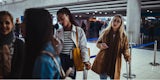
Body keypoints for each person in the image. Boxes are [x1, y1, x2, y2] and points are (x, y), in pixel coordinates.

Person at [21, 8, 61, 79]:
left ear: (34, 26)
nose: (21, 25)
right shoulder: (47, 48)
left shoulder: (43, 60)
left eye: (24, 21)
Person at [91, 14, 131, 80]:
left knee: (114, 76)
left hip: (115, 61)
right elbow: (98, 43)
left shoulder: (123, 36)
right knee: (103, 77)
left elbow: (125, 48)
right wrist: (101, 45)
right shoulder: (105, 32)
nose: (115, 23)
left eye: (118, 21)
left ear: (121, 24)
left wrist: (127, 56)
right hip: (104, 59)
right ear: (111, 21)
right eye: (114, 20)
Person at [55, 7, 91, 79]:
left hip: (72, 59)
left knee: (70, 78)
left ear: (68, 16)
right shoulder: (58, 31)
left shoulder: (78, 30)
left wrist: (86, 60)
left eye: (62, 19)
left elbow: (83, 46)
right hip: (60, 59)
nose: (60, 22)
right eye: (58, 20)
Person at [0, 11, 24, 79]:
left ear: (12, 25)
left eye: (7, 23)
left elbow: (19, 70)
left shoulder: (19, 44)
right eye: (0, 23)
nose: (4, 26)